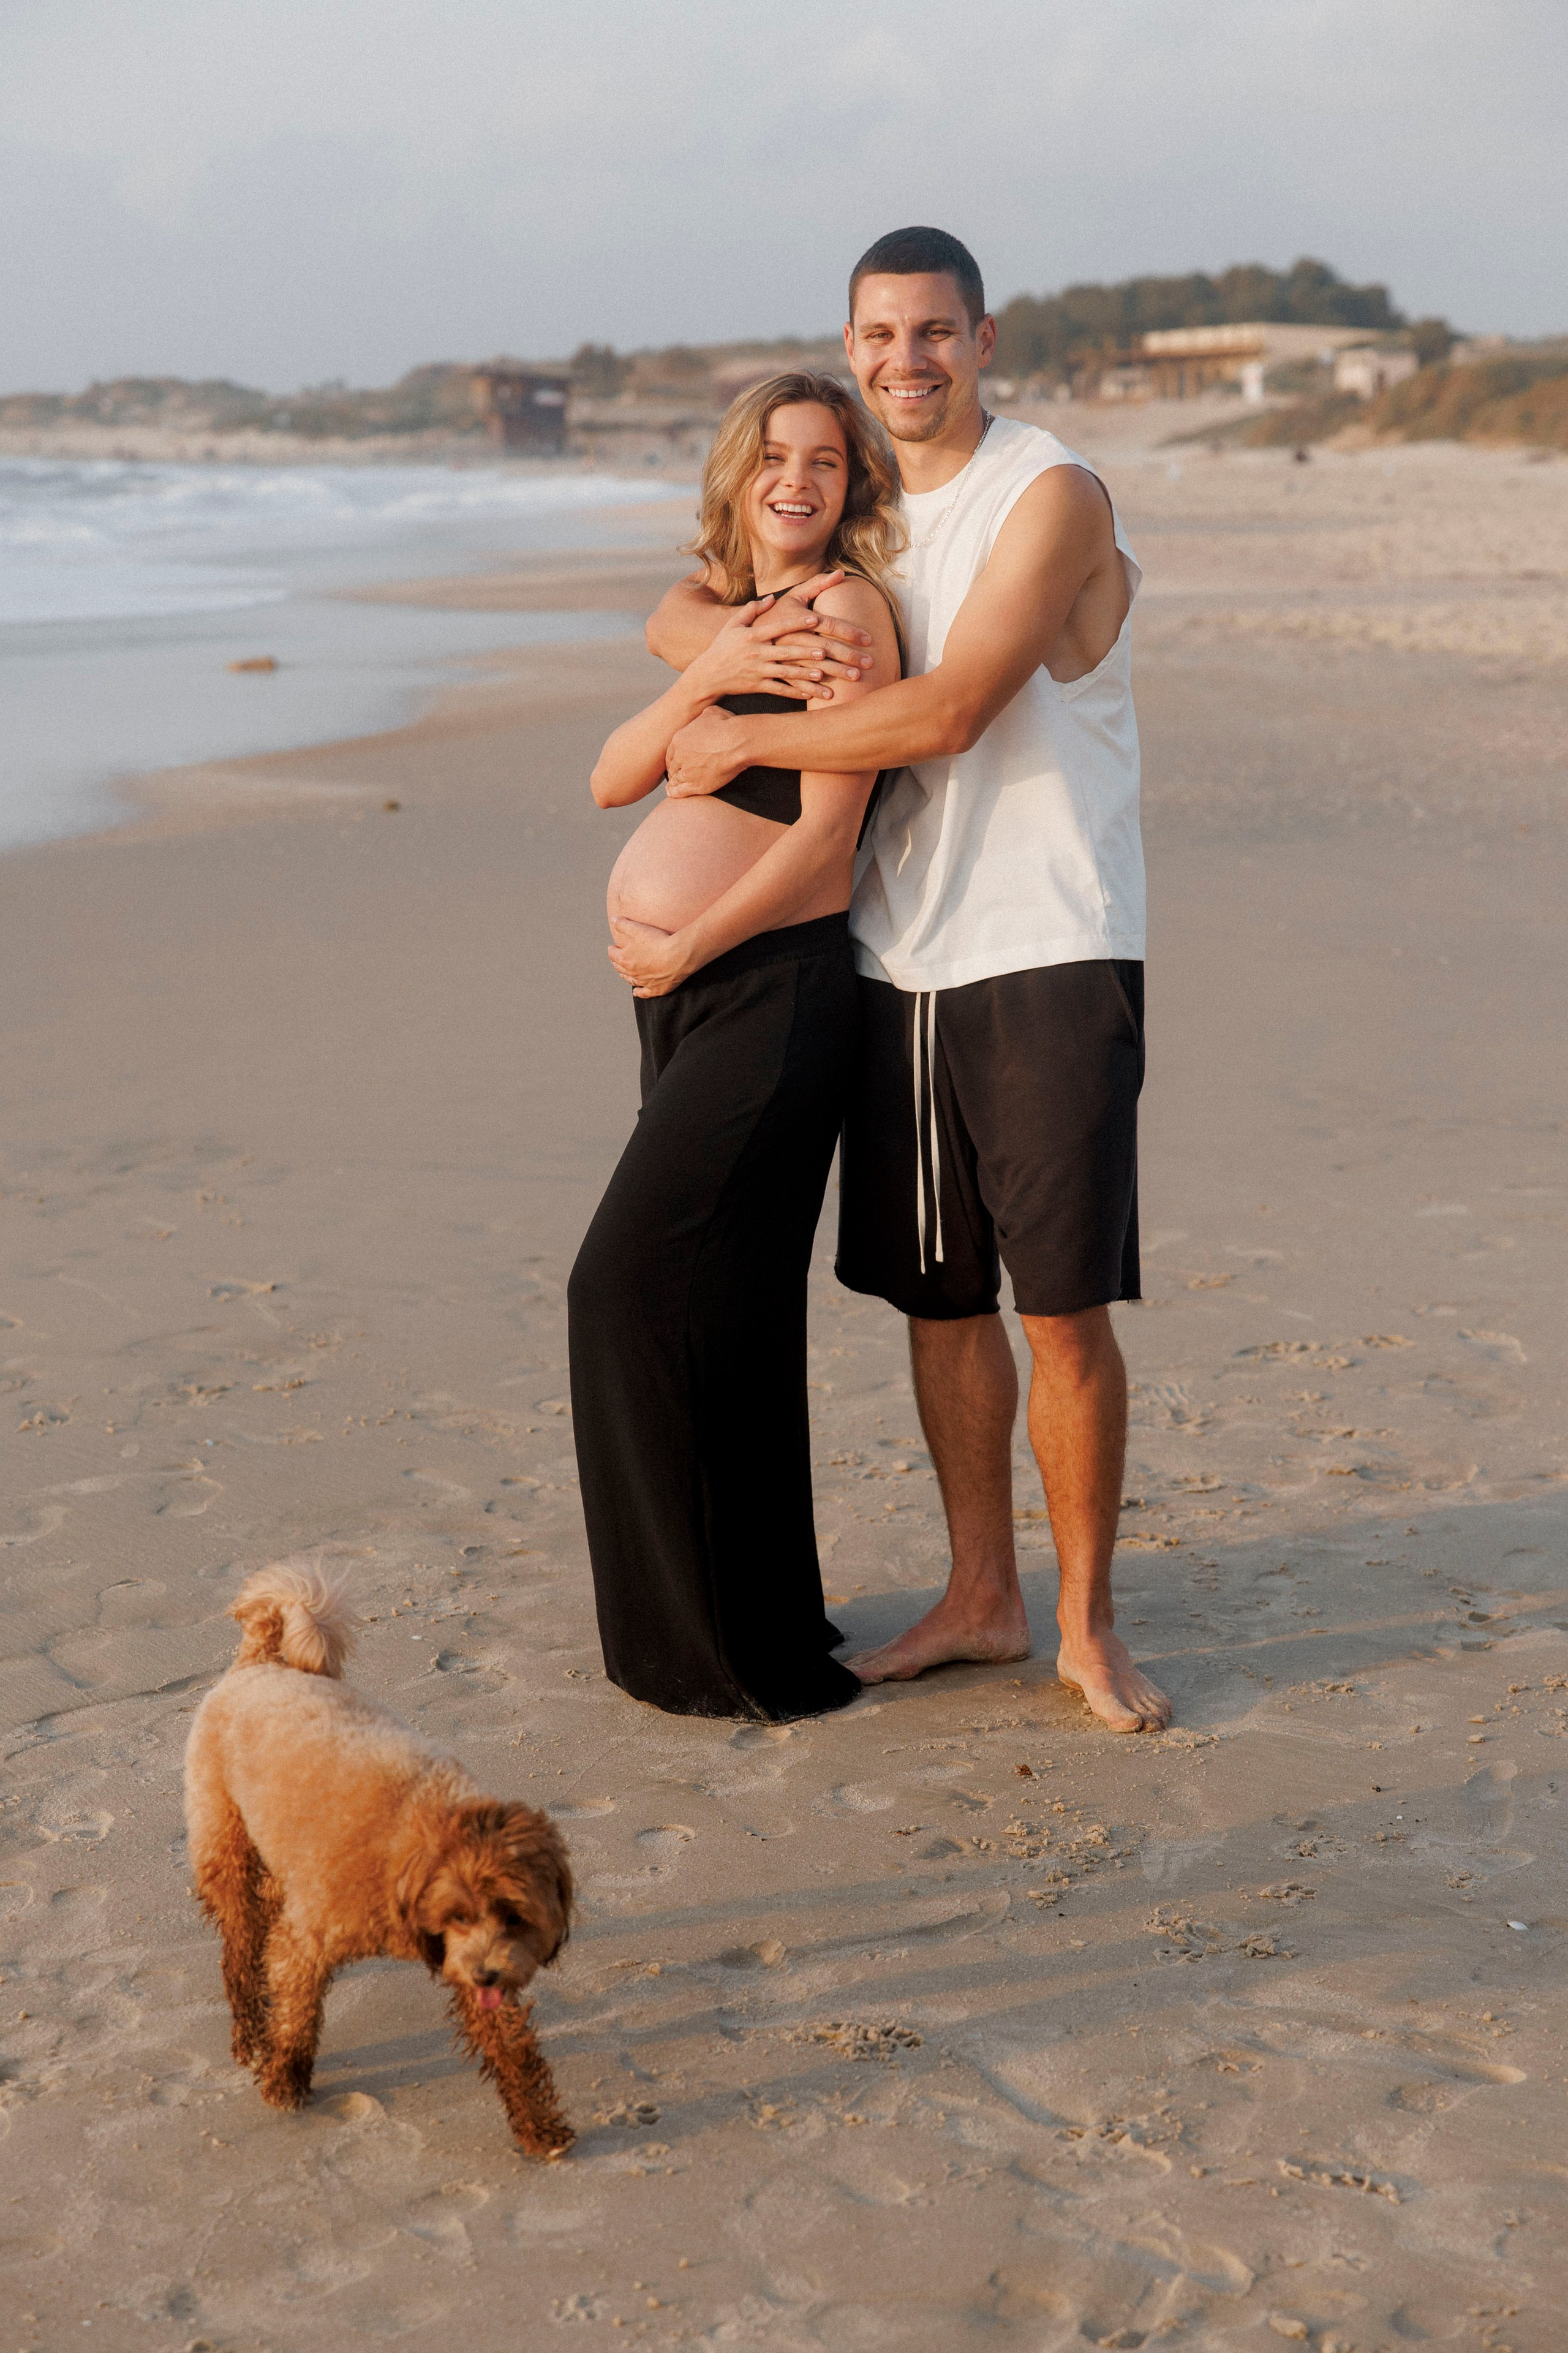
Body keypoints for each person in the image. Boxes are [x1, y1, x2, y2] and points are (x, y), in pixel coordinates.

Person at [647, 227, 1172, 1734]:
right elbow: (682, 605)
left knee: (1060, 1308)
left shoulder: (1049, 493)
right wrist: (731, 648)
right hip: (895, 955)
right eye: (880, 336)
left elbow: (944, 713)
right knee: (935, 1301)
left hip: (1049, 944)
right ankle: (976, 1595)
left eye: (934, 333)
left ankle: (1083, 1623)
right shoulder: (866, 522)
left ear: (984, 340)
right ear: (853, 341)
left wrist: (742, 733)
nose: (905, 362)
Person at [567, 371, 904, 1721]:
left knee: (622, 1288)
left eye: (824, 460)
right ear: (737, 471)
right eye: (774, 455)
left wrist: (684, 944)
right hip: (683, 996)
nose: (796, 480)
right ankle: (754, 1617)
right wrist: (705, 669)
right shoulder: (725, 615)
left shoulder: (845, 615)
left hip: (769, 989)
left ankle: (698, 1642)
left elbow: (825, 845)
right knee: (728, 1311)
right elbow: (609, 778)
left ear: (849, 486)